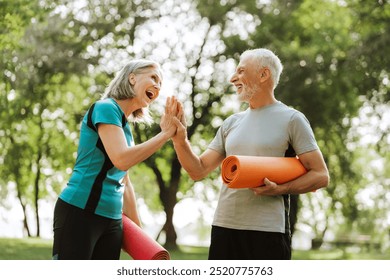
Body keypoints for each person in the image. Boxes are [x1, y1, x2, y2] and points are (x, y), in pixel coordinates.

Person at [172, 48, 330, 260]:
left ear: (264, 75)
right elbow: (197, 170)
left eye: (241, 71)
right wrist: (179, 139)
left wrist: (282, 189)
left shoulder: (292, 119)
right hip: (224, 226)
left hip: (268, 231)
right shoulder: (231, 123)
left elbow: (320, 175)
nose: (232, 78)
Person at [52, 59, 180, 260]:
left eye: (160, 84)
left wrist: (141, 237)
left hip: (113, 220)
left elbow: (125, 182)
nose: (157, 85)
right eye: (153, 77)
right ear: (132, 78)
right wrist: (164, 135)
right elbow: (121, 159)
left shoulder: (126, 129)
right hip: (80, 212)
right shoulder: (105, 108)